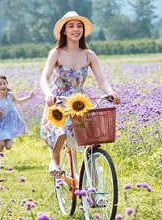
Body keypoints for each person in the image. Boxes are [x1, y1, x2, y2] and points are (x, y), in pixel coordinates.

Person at [40, 11, 121, 178]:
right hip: (59, 100)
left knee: (91, 143)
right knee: (62, 129)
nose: (75, 29)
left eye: (79, 26)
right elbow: (44, 78)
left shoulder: (89, 55)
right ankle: (54, 161)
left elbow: (102, 81)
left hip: (80, 101)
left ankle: (95, 190)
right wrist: (48, 94)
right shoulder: (56, 53)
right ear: (64, 31)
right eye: (71, 26)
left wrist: (111, 92)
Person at [0, 75, 34, 168]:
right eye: (0, 84)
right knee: (1, 143)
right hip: (0, 123)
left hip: (11, 122)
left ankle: (11, 135)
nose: (3, 85)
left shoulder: (10, 95)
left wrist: (29, 97)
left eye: (4, 83)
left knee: (8, 146)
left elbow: (18, 102)